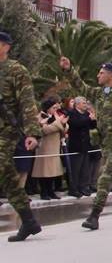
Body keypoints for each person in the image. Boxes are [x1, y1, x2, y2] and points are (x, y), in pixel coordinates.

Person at [59, 58, 112, 230]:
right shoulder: (100, 93)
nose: (98, 75)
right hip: (104, 141)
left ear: (111, 75)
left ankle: (94, 215)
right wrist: (69, 70)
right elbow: (81, 86)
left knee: (104, 177)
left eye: (101, 73)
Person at [0, 31, 43, 242]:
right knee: (7, 177)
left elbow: (27, 102)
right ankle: (28, 221)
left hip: (5, 131)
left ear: (6, 46)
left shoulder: (16, 70)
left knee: (2, 168)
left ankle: (28, 220)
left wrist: (33, 132)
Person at [32, 98, 67, 200]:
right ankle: (44, 192)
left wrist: (63, 124)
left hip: (55, 146)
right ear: (48, 108)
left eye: (56, 107)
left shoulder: (55, 116)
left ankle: (51, 191)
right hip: (45, 147)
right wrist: (58, 124)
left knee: (52, 171)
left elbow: (64, 128)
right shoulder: (39, 117)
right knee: (44, 171)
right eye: (53, 107)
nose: (55, 109)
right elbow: (44, 130)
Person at [67, 96, 97, 197]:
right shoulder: (72, 113)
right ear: (77, 104)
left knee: (85, 168)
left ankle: (83, 187)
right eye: (83, 103)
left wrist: (93, 119)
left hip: (86, 144)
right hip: (76, 144)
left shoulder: (86, 114)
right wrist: (88, 119)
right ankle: (74, 188)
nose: (85, 105)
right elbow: (76, 124)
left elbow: (92, 126)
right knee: (76, 168)